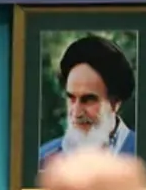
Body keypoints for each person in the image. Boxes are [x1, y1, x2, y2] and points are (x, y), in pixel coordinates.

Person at [38, 35, 137, 166]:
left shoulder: (144, 157)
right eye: (71, 98)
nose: (76, 113)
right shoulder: (43, 159)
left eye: (88, 100)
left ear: (115, 103)